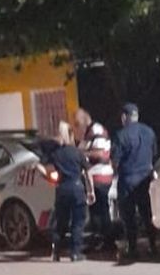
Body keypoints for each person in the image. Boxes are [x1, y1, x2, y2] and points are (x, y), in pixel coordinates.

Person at [38, 121, 94, 262]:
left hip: (62, 189)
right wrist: (91, 190)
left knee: (61, 222)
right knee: (77, 222)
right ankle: (75, 253)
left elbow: (43, 168)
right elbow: (88, 173)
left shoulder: (56, 154)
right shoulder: (77, 153)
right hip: (77, 189)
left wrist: (42, 171)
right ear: (71, 135)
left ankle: (56, 252)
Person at [111, 103, 158, 261]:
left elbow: (115, 161)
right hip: (145, 179)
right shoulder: (149, 132)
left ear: (124, 117)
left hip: (128, 180)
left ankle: (132, 249)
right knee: (147, 214)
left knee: (128, 217)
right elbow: (154, 153)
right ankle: (153, 245)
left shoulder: (121, 135)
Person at [74, 108, 114, 251]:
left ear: (84, 121)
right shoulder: (90, 133)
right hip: (93, 177)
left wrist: (80, 153)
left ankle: (107, 241)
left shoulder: (96, 131)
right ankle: (101, 240)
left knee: (100, 210)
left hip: (100, 176)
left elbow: (101, 154)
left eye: (77, 124)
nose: (76, 127)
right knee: (96, 210)